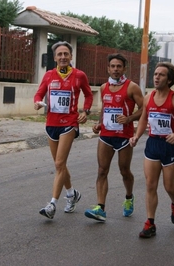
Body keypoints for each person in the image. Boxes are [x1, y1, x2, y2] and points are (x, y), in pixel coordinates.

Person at [129, 62, 174, 238]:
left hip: (170, 146)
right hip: (153, 144)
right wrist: (136, 135)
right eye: (155, 74)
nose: (157, 77)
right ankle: (150, 223)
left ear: (169, 79)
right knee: (150, 184)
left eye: (161, 75)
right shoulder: (149, 97)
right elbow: (144, 118)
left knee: (168, 186)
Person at [34, 41, 93, 219]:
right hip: (51, 124)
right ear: (54, 58)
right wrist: (37, 102)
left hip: (69, 123)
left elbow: (89, 94)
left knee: (60, 164)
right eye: (59, 54)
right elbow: (39, 93)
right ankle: (72, 194)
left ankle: (52, 204)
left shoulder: (79, 75)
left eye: (66, 54)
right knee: (60, 165)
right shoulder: (49, 75)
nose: (63, 57)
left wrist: (86, 111)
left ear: (71, 56)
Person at [84, 53, 144, 222]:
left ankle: (129, 197)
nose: (115, 69)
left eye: (119, 66)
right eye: (113, 66)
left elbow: (144, 109)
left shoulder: (132, 87)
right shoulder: (104, 87)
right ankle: (100, 208)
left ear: (124, 68)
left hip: (124, 136)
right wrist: (99, 124)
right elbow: (105, 109)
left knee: (124, 171)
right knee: (102, 170)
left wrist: (129, 118)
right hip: (106, 135)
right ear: (108, 68)